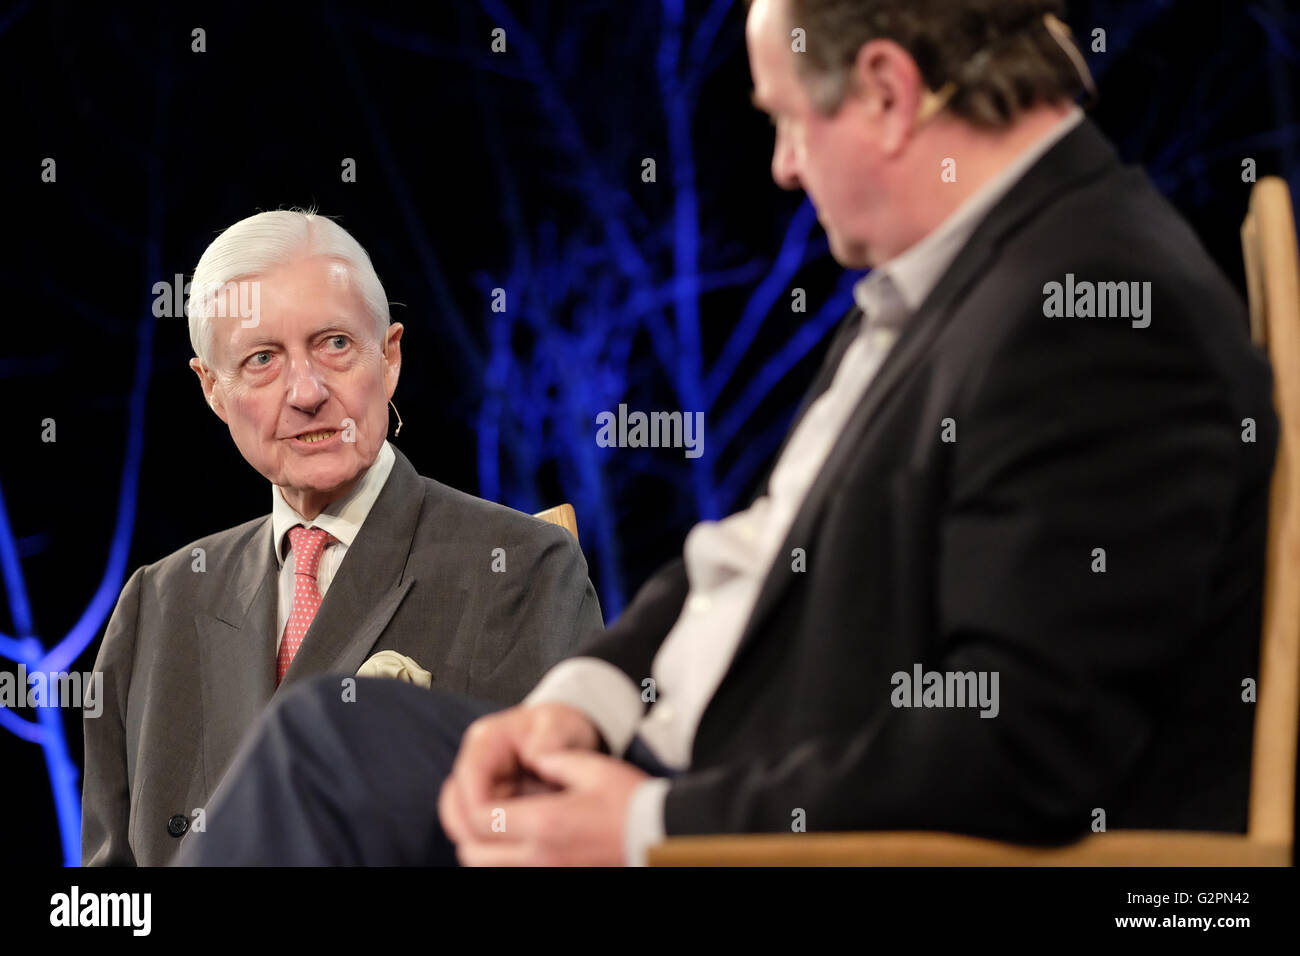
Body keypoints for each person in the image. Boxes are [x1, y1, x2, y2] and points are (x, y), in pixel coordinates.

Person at [180, 0, 1277, 867]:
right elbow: (756, 551)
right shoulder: (958, 283)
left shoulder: (1091, 305)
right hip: (692, 778)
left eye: (788, 117)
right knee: (336, 739)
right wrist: (581, 700)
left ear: (889, 92)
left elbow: (1018, 745)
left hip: (755, 828)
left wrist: (650, 826)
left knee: (323, 756)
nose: (783, 167)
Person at [82, 210, 602, 866]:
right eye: (262, 359)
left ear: (389, 357)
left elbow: (551, 844)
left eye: (333, 345)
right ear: (213, 389)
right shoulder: (154, 607)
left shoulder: (522, 570)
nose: (306, 392)